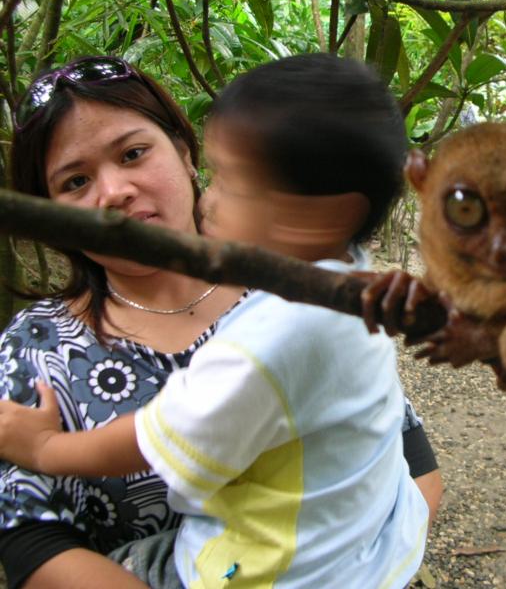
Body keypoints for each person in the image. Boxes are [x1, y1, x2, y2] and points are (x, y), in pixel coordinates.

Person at [0, 55, 441, 588]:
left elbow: (403, 445)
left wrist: (48, 449)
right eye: (74, 182)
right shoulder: (35, 347)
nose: (114, 192)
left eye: (134, 153)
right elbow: (25, 534)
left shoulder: (285, 309)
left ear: (184, 155)